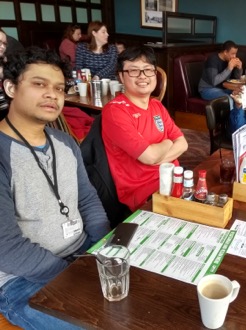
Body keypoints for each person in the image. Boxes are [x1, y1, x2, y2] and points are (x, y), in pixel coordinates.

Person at [0, 47, 110, 329]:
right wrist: (75, 275)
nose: (53, 94)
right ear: (10, 87)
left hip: (81, 252)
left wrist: (104, 248)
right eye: (39, 84)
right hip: (19, 279)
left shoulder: (65, 142)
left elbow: (87, 199)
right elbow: (6, 247)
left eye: (60, 88)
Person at [102, 46, 188, 212]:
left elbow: (183, 144)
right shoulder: (115, 111)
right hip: (144, 193)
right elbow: (149, 156)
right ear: (121, 76)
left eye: (148, 70)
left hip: (173, 179)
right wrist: (169, 142)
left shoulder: (156, 105)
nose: (143, 76)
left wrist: (157, 156)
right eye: (133, 71)